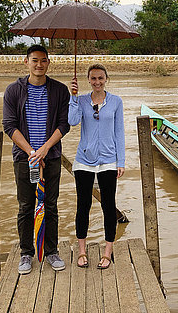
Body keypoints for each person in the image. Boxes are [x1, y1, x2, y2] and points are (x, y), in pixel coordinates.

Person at [2, 45, 70, 274]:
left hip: (50, 158)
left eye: (43, 60)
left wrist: (44, 150)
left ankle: (51, 251)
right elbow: (9, 126)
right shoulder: (14, 91)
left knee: (50, 205)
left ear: (48, 63)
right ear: (26, 62)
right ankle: (26, 253)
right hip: (25, 159)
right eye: (34, 60)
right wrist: (32, 152)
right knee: (25, 206)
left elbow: (64, 125)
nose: (39, 64)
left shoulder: (60, 90)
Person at [68, 63, 125, 269]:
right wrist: (73, 97)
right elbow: (72, 121)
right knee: (83, 206)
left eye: (100, 78)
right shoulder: (81, 100)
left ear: (106, 79)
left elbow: (119, 133)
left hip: (109, 160)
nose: (97, 82)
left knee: (108, 206)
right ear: (88, 81)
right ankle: (82, 250)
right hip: (84, 161)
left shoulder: (116, 102)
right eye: (93, 79)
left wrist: (121, 161)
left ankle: (107, 251)